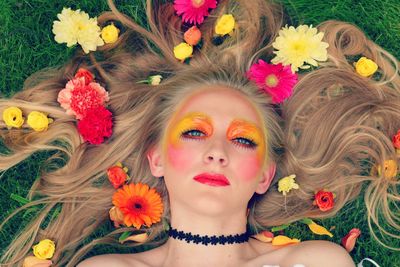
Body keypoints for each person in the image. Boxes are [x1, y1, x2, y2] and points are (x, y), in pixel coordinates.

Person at [0, 0, 399, 266]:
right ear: (155, 158)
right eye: (194, 133)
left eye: (243, 139)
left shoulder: (313, 262)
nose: (217, 152)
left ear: (265, 174)